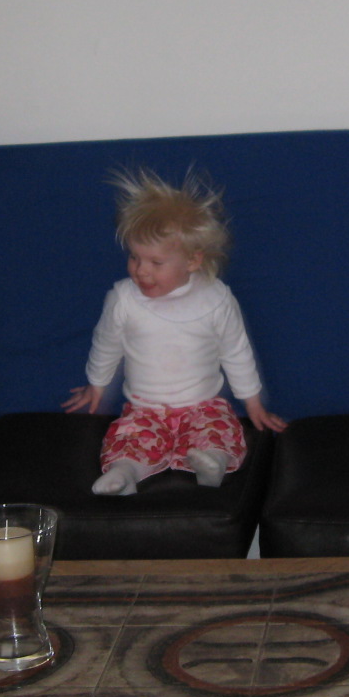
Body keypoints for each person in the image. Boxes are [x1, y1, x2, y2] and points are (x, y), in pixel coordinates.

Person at [63, 169, 287, 495]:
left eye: (156, 262)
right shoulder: (124, 299)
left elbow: (236, 352)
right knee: (128, 438)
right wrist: (96, 385)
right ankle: (124, 472)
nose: (141, 270)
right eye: (135, 257)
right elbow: (107, 343)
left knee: (219, 431)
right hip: (144, 408)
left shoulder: (216, 298)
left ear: (193, 261)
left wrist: (253, 405)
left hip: (203, 406)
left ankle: (211, 462)